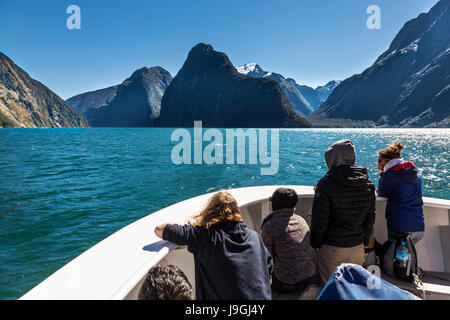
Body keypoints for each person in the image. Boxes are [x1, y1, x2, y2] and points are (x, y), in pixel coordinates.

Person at [154, 190, 273, 300]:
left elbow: (160, 229)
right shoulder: (254, 236)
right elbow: (269, 274)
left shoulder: (204, 237)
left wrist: (195, 228)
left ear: (210, 213)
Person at [310, 139, 376, 285]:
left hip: (332, 247)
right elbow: (370, 218)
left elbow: (320, 220)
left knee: (332, 289)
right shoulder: (368, 183)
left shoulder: (326, 184)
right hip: (357, 247)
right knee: (352, 288)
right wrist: (364, 242)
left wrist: (315, 242)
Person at [261, 188, 317, 294]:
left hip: (286, 283)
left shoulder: (270, 226)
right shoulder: (301, 220)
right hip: (309, 277)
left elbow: (266, 258)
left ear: (274, 204)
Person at [377, 142, 425, 245]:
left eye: (379, 160)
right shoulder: (414, 171)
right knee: (407, 258)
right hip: (418, 226)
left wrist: (382, 173)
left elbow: (381, 193)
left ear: (386, 160)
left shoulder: (390, 175)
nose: (378, 163)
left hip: (400, 226)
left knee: (397, 259)